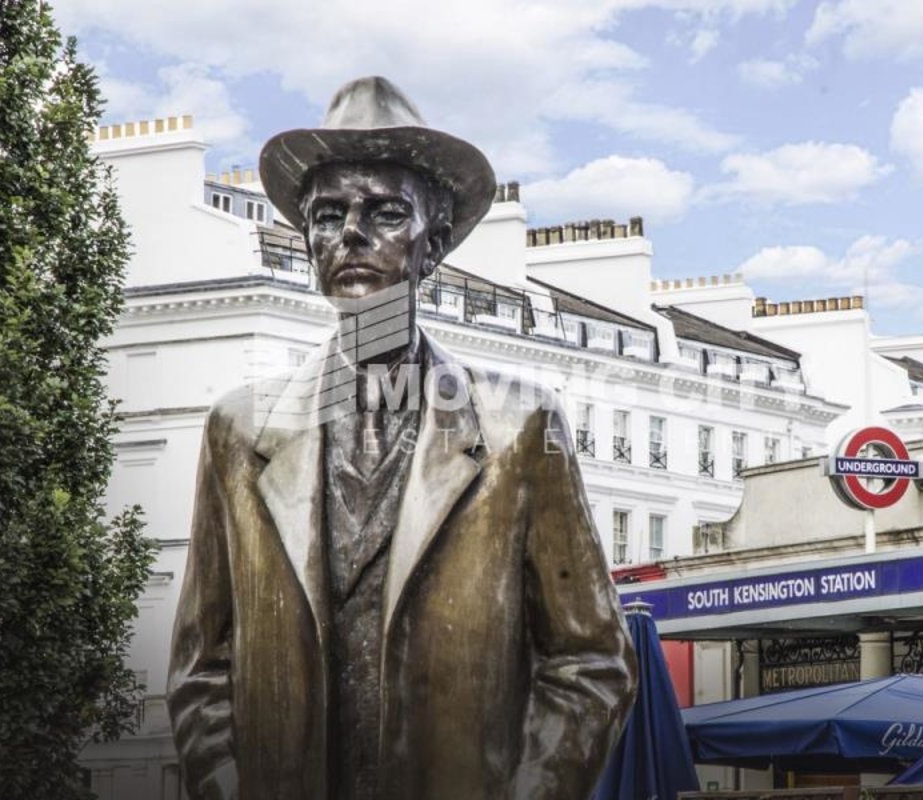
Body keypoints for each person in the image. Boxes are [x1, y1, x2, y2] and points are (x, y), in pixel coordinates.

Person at [167, 76, 637, 800]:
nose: (350, 233)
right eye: (328, 215)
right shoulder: (239, 430)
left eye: (383, 212)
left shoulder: (520, 427)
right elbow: (203, 668)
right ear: (308, 243)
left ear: (434, 246)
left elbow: (589, 660)